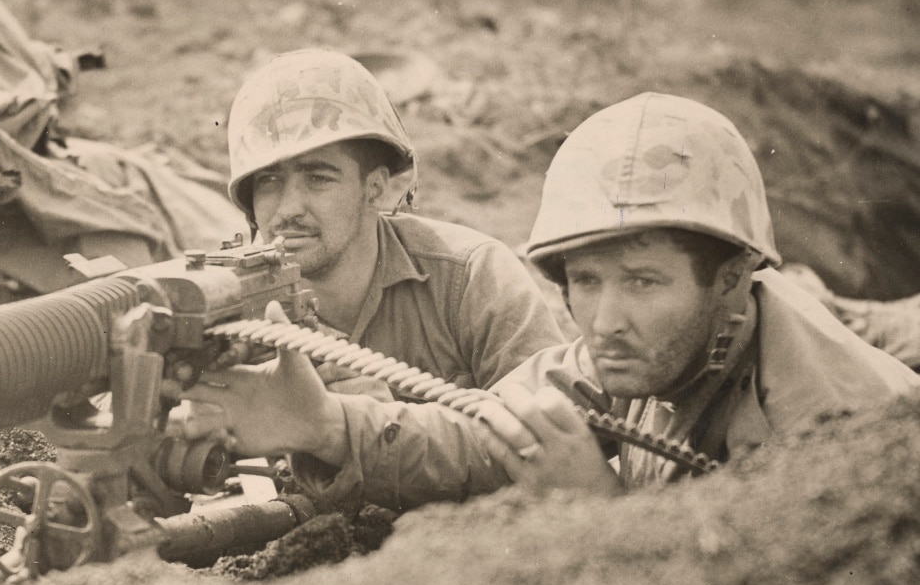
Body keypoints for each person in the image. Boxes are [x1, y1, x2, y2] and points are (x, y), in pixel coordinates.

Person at [195, 91, 917, 507]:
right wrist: (326, 425)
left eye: (643, 281)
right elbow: (483, 432)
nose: (604, 321)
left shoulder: (832, 423)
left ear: (731, 276)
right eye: (585, 281)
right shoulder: (634, 352)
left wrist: (601, 509)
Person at [179, 48, 564, 508]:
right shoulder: (221, 303)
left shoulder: (472, 278)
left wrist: (366, 427)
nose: (288, 209)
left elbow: (553, 450)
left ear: (375, 188)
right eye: (268, 182)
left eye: (319, 178)